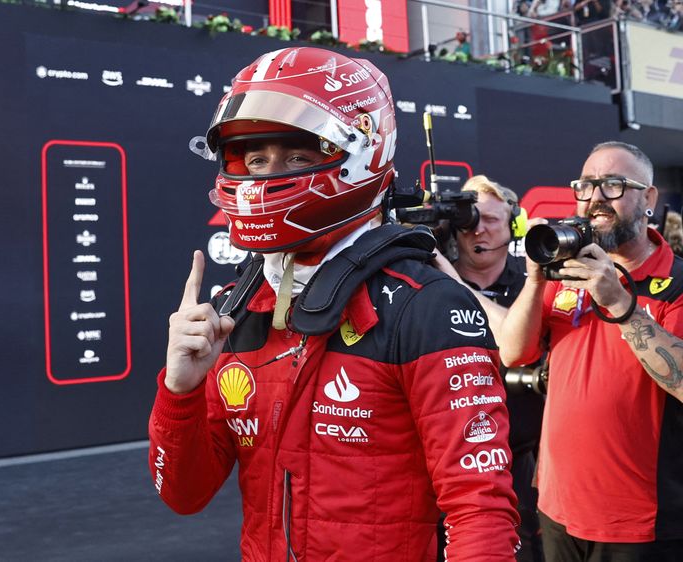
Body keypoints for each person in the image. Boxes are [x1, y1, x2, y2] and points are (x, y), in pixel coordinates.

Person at [148, 47, 520, 561]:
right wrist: (179, 391)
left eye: (299, 156)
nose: (267, 175)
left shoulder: (426, 305)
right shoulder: (237, 307)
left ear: (363, 152)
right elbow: (184, 494)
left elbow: (479, 508)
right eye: (255, 158)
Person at [498, 141, 683, 561]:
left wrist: (619, 300)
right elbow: (513, 353)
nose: (596, 198)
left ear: (649, 198)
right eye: (586, 186)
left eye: (613, 185)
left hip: (640, 526)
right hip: (558, 508)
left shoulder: (674, 282)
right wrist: (535, 280)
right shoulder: (565, 273)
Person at [433, 176, 545, 562]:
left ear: (514, 226)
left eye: (491, 220)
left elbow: (517, 345)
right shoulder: (425, 286)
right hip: (439, 464)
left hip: (518, 465)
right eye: (468, 218)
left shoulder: (535, 286)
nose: (477, 228)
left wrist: (449, 281)